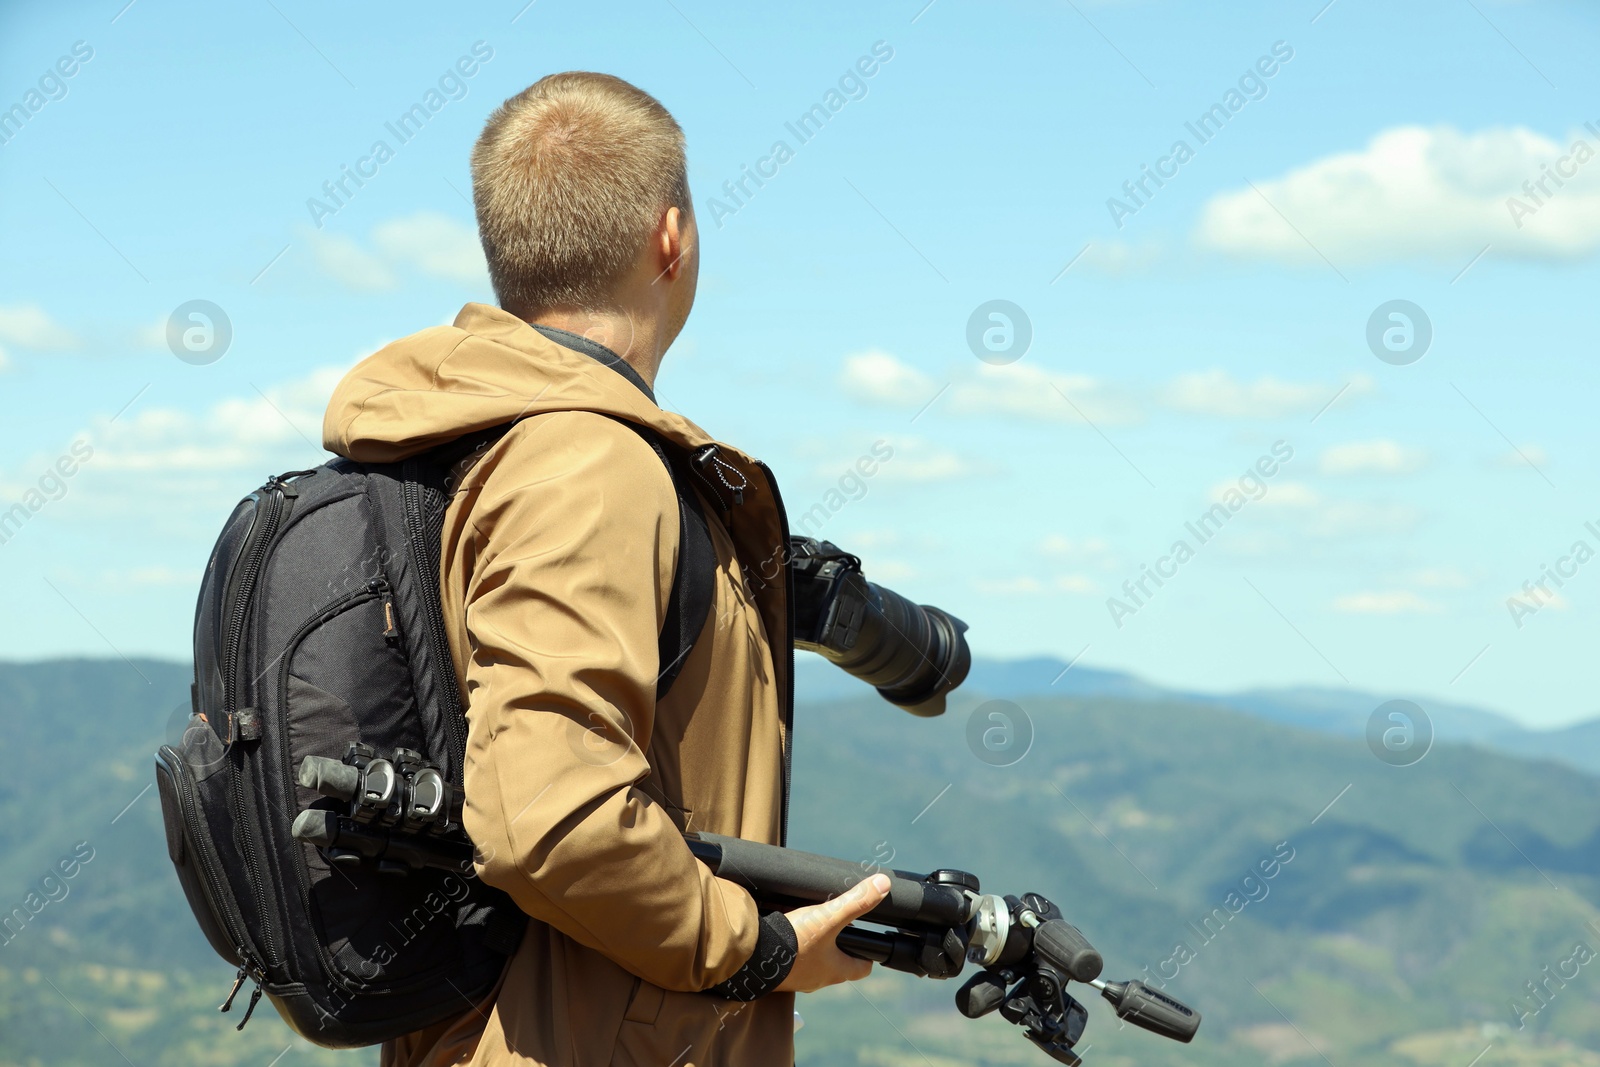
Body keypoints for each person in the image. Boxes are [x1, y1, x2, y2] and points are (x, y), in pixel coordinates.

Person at [321, 72, 890, 1067]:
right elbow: (550, 817)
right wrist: (753, 946)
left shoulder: (459, 441)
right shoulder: (588, 459)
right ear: (670, 237)